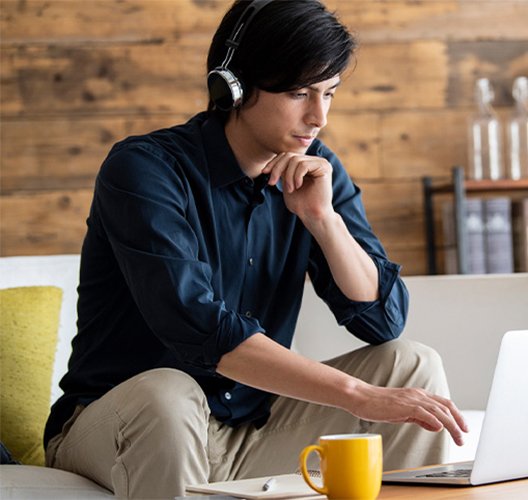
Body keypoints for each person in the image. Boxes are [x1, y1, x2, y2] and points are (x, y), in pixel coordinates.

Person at [43, 0, 467, 498]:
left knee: (409, 362)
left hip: (249, 428)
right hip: (123, 424)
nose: (319, 116)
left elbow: (382, 320)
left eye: (329, 93)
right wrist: (358, 396)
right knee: (167, 392)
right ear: (233, 87)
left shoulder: (316, 170)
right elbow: (196, 324)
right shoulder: (144, 170)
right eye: (298, 93)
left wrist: (322, 220)